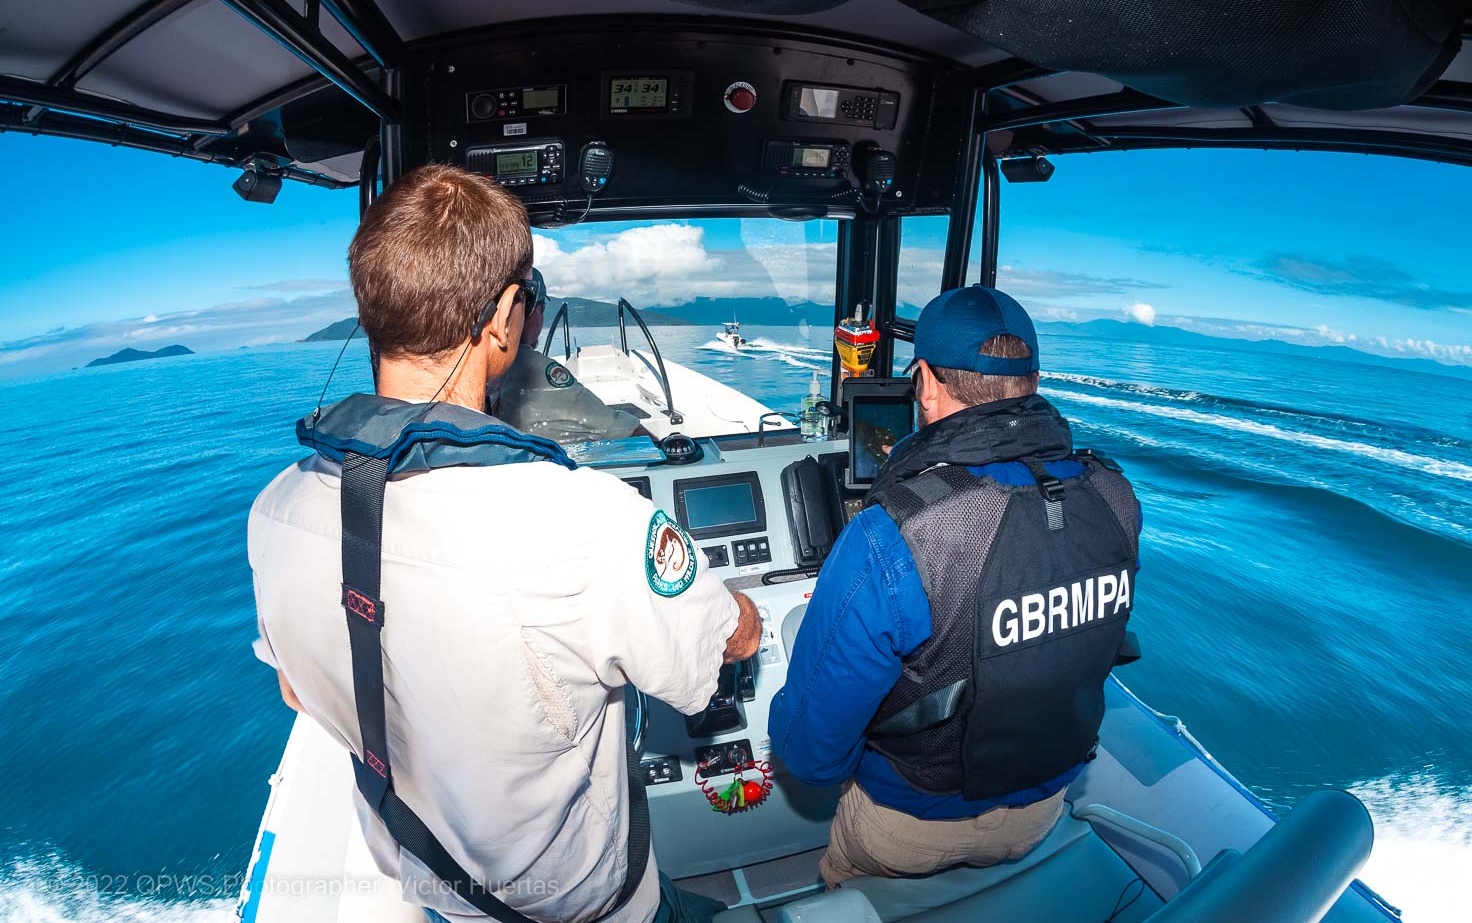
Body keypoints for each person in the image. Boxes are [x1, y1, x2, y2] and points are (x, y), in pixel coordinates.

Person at [249, 165, 761, 923]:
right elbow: (726, 643)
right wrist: (742, 612)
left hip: (437, 893)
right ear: (505, 318)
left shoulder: (276, 509)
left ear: (373, 310)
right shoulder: (584, 519)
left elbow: (298, 689)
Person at [768, 286, 1141, 886]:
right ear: (1034, 379)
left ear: (926, 383)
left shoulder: (895, 533)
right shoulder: (1114, 496)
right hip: (1042, 811)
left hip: (909, 823)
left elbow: (812, 756)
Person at [486, 267, 648, 442]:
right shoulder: (534, 368)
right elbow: (626, 431)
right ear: (531, 310)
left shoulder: (486, 362)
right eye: (541, 309)